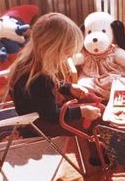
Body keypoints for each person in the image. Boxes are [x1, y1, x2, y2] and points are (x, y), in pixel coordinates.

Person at [7, 12, 103, 166]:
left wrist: (69, 88)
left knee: (90, 99)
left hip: (43, 110)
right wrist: (82, 112)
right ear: (52, 49)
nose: (67, 58)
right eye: (66, 54)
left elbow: (50, 86)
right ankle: (99, 158)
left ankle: (99, 120)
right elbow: (51, 115)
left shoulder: (32, 61)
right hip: (40, 123)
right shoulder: (39, 79)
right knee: (94, 120)